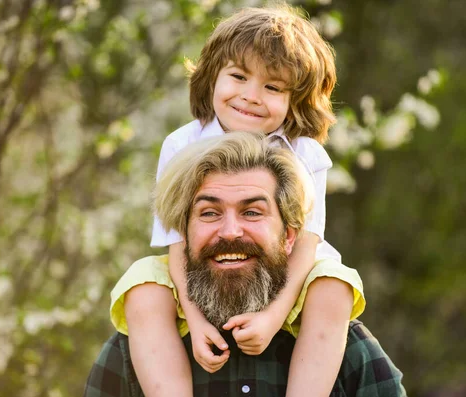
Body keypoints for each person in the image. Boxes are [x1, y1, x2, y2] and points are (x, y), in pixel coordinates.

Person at [113, 4, 367, 396]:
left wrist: (273, 316)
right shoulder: (182, 143)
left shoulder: (306, 154)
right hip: (197, 267)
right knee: (142, 288)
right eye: (238, 77)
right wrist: (195, 322)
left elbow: (307, 244)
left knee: (334, 286)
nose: (251, 97)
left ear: (294, 99)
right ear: (213, 76)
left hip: (288, 271)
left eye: (273, 87)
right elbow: (177, 241)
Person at [85, 132, 406, 397]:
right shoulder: (131, 355)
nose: (230, 231)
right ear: (183, 234)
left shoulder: (345, 351)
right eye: (209, 213)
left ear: (290, 236)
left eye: (252, 212)